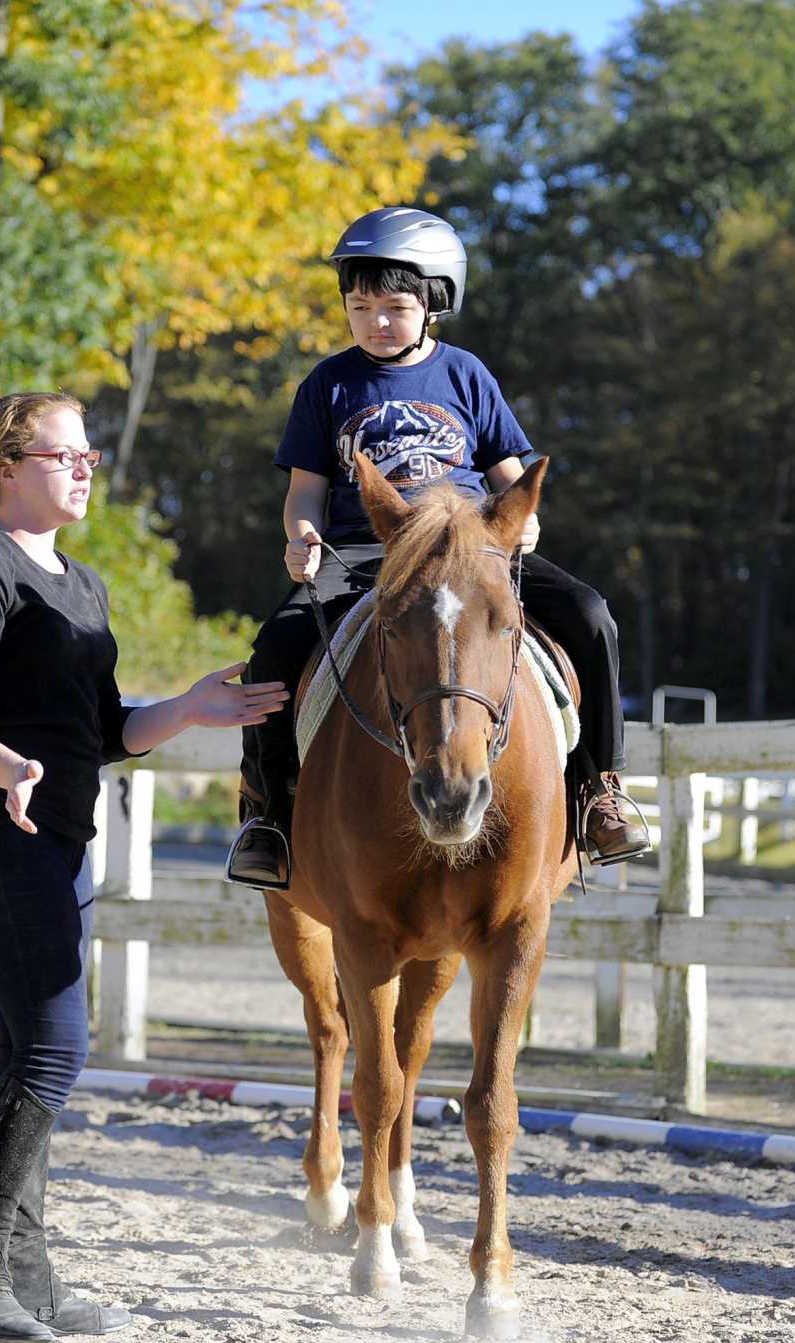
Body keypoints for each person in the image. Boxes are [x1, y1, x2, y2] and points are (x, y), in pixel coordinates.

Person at [0, 391, 288, 1343]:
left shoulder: (81, 582)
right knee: (54, 1049)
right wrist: (6, 767)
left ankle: (25, 1282)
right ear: (7, 465)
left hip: (61, 840)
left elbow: (105, 730)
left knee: (30, 1052)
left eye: (89, 456)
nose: (85, 468)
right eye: (65, 454)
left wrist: (192, 709)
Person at [225, 206, 650, 891]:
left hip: (467, 550)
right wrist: (301, 536)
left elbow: (509, 468)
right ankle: (269, 815)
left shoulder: (466, 375)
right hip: (365, 556)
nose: (375, 322)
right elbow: (305, 490)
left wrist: (524, 517)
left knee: (591, 613)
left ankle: (598, 789)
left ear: (434, 304)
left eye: (393, 307)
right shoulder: (328, 385)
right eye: (359, 307)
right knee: (273, 651)